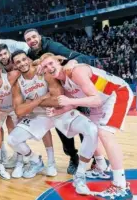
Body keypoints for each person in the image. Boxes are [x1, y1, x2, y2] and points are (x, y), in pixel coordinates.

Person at [40, 53, 134, 200]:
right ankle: (101, 167)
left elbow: (95, 99)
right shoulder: (64, 83)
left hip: (117, 93)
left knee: (105, 134)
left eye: (51, 63)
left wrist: (68, 100)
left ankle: (121, 186)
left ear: (59, 62)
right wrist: (58, 111)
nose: (49, 68)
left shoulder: (76, 71)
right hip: (101, 101)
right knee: (92, 131)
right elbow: (76, 102)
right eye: (45, 67)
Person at [24, 28, 95, 174]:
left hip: (74, 90)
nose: (32, 41)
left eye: (33, 37)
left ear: (40, 37)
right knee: (61, 128)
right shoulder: (30, 54)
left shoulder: (53, 47)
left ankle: (95, 158)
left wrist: (73, 62)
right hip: (58, 95)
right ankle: (73, 158)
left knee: (84, 127)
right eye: (28, 39)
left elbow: (84, 57)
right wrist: (37, 64)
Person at [8, 51, 58, 179]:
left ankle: (51, 163)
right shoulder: (18, 84)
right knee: (12, 139)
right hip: (35, 115)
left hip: (55, 112)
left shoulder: (43, 71)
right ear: (15, 65)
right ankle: (35, 160)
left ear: (29, 59)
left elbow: (57, 99)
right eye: (18, 62)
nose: (22, 63)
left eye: (24, 59)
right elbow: (19, 111)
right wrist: (40, 99)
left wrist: (29, 104)